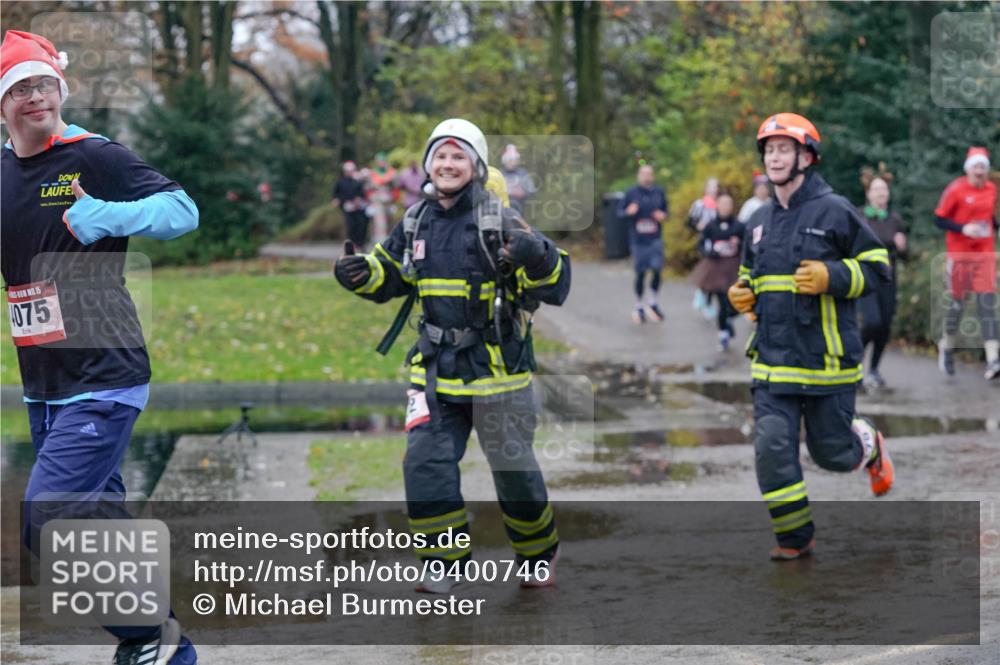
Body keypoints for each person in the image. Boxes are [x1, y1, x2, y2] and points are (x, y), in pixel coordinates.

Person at [0, 30, 199, 664]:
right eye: (21, 88)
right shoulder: (2, 173)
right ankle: (167, 649)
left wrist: (108, 215)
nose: (36, 97)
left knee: (48, 516)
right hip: (45, 383)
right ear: (2, 104)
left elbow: (182, 210)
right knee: (98, 517)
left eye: (45, 84)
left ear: (61, 90)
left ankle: (148, 635)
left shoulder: (94, 156)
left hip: (106, 371)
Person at [334, 118, 569, 593]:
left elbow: (556, 285)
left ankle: (537, 555)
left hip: (498, 375)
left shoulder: (499, 218)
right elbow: (391, 272)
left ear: (476, 166)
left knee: (515, 474)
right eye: (439, 155)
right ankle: (444, 563)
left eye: (458, 156)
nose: (447, 163)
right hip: (435, 373)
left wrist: (538, 255)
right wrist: (361, 274)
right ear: (427, 165)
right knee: (425, 465)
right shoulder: (415, 220)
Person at [727, 113, 894, 560]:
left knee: (832, 455)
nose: (774, 157)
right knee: (771, 449)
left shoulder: (835, 210)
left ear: (806, 157)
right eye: (769, 149)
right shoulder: (758, 219)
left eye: (784, 149)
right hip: (773, 362)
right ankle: (795, 539)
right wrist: (743, 293)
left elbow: (878, 267)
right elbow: (750, 273)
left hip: (827, 361)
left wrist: (833, 276)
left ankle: (868, 444)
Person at [933, 146, 999, 381]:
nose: (980, 171)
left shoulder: (991, 189)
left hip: (984, 254)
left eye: (983, 167)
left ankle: (993, 360)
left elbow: (989, 216)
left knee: (987, 305)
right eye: (976, 167)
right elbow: (938, 219)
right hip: (960, 254)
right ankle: (947, 346)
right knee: (958, 305)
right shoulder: (956, 189)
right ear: (968, 169)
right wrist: (963, 228)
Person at [857, 166, 908, 389]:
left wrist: (902, 246)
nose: (881, 193)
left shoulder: (895, 219)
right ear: (868, 193)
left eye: (884, 189)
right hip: (866, 278)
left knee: (884, 326)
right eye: (876, 189)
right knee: (872, 322)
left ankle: (874, 370)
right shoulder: (859, 216)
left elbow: (905, 254)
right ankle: (854, 363)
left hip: (888, 279)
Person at [618, 163, 669, 323]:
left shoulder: (659, 192)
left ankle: (652, 301)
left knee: (657, 269)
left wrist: (663, 215)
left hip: (655, 239)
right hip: (638, 241)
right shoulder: (631, 193)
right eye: (643, 173)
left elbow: (666, 211)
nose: (646, 176)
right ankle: (638, 304)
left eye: (649, 174)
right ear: (638, 176)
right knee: (640, 273)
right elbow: (619, 213)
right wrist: (628, 212)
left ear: (652, 176)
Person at [692, 192, 742, 351]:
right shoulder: (711, 225)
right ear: (717, 206)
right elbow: (700, 245)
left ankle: (729, 319)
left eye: (728, 204)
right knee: (722, 302)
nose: (726, 207)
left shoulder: (739, 226)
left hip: (734, 268)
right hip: (716, 268)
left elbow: (748, 246)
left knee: (735, 303)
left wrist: (739, 244)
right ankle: (723, 335)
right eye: (723, 204)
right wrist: (709, 252)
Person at [688, 177, 720, 319]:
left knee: (713, 274)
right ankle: (703, 297)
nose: (714, 190)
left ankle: (703, 296)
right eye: (711, 187)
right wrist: (698, 226)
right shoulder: (699, 204)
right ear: (706, 189)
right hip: (704, 243)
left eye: (716, 187)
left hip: (717, 244)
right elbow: (689, 222)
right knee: (709, 271)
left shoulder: (720, 204)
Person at [332, 160, 368, 248]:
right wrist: (337, 199)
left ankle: (360, 243)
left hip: (359, 207)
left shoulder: (358, 180)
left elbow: (363, 192)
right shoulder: (341, 182)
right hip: (347, 206)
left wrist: (359, 199)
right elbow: (337, 194)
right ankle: (352, 243)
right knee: (351, 225)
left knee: (361, 224)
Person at [500, 143, 538, 215]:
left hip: (519, 211)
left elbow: (532, 191)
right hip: (501, 212)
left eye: (514, 160)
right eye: (510, 160)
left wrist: (523, 193)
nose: (512, 162)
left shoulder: (523, 174)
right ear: (504, 160)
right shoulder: (499, 174)